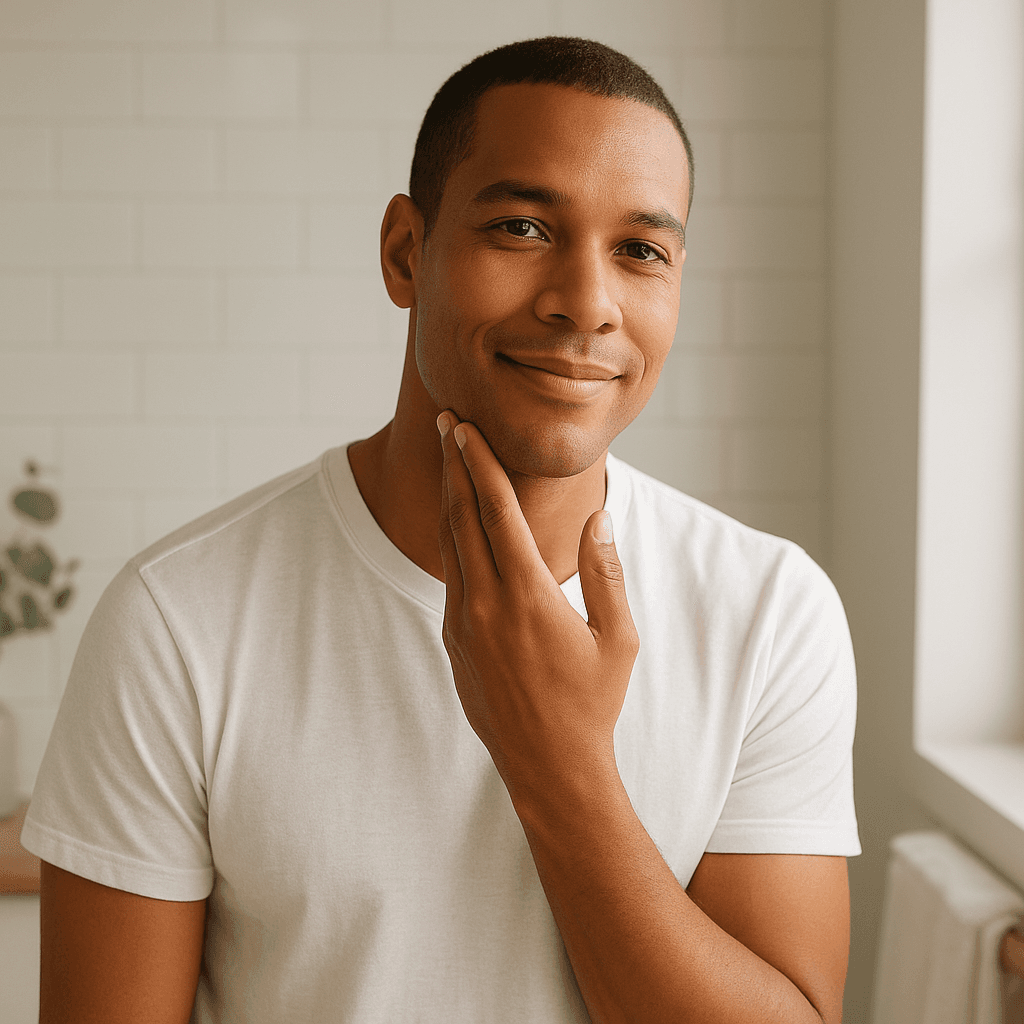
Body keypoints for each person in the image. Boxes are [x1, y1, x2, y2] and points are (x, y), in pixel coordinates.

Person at [23, 36, 859, 1024]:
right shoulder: (178, 619)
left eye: (640, 250)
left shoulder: (769, 611)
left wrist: (558, 759)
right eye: (520, 226)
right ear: (405, 251)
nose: (585, 304)